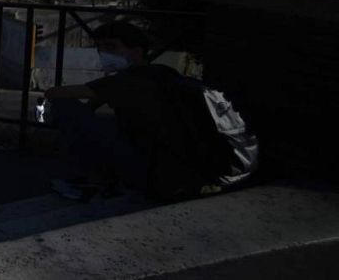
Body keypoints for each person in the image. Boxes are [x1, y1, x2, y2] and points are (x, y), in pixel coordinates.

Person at [44, 21, 256, 200]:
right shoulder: (164, 73)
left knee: (64, 107)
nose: (105, 55)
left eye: (112, 47)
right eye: (101, 49)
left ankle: (95, 181)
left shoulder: (125, 82)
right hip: (195, 173)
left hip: (160, 179)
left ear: (136, 50)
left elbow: (55, 93)